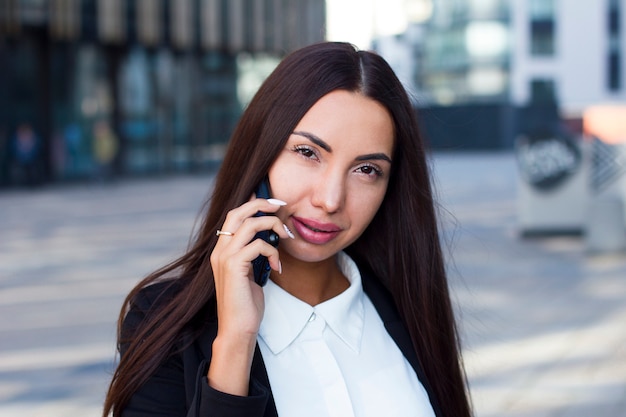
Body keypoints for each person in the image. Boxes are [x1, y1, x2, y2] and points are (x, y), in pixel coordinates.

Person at [103, 42, 472, 417]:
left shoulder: (406, 305)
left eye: (366, 170)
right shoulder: (163, 325)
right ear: (261, 152)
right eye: (308, 153)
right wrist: (235, 342)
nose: (330, 200)